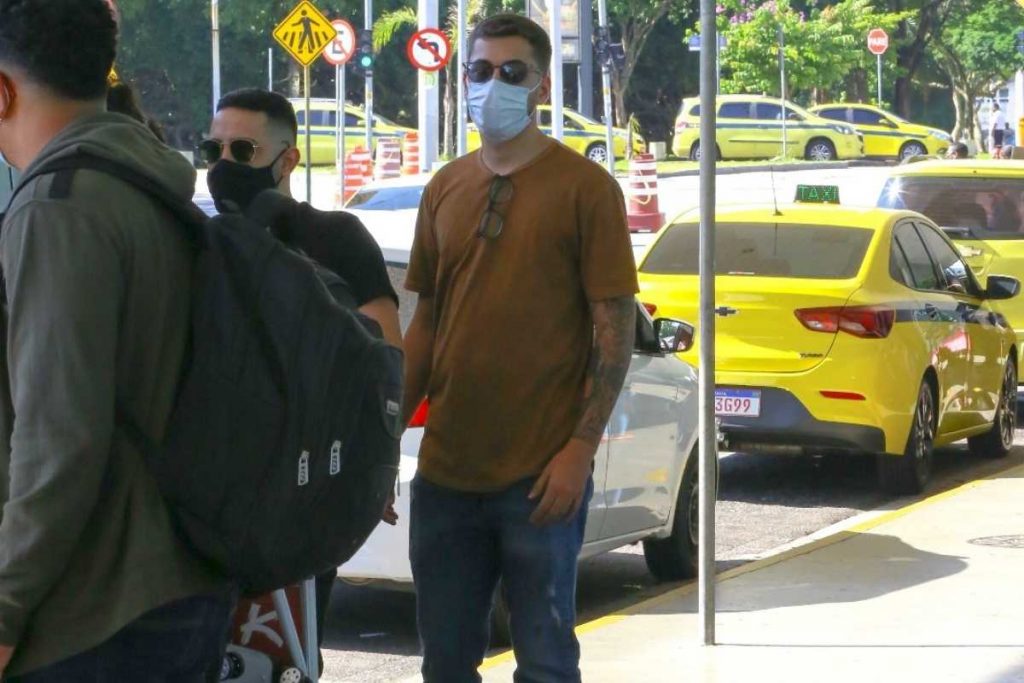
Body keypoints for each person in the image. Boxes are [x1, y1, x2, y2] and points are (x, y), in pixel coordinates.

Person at [0, 1, 233, 679]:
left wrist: (7, 605)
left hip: (96, 612)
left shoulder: (58, 205)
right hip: (180, 581)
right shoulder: (145, 180)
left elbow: (59, 435)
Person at [403, 14, 637, 682]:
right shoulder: (444, 187)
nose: (493, 85)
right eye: (480, 71)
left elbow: (612, 333)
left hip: (540, 479)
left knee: (545, 661)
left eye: (512, 73)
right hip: (446, 476)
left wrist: (579, 450)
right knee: (445, 664)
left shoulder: (586, 189)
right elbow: (425, 325)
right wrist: (385, 436)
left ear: (539, 85)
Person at [203, 87, 402, 658]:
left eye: (242, 150)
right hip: (210, 492)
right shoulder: (199, 240)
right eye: (211, 148)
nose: (223, 165)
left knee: (287, 651)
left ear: (286, 159)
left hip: (301, 489)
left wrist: (374, 467)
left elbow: (383, 358)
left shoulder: (335, 238)